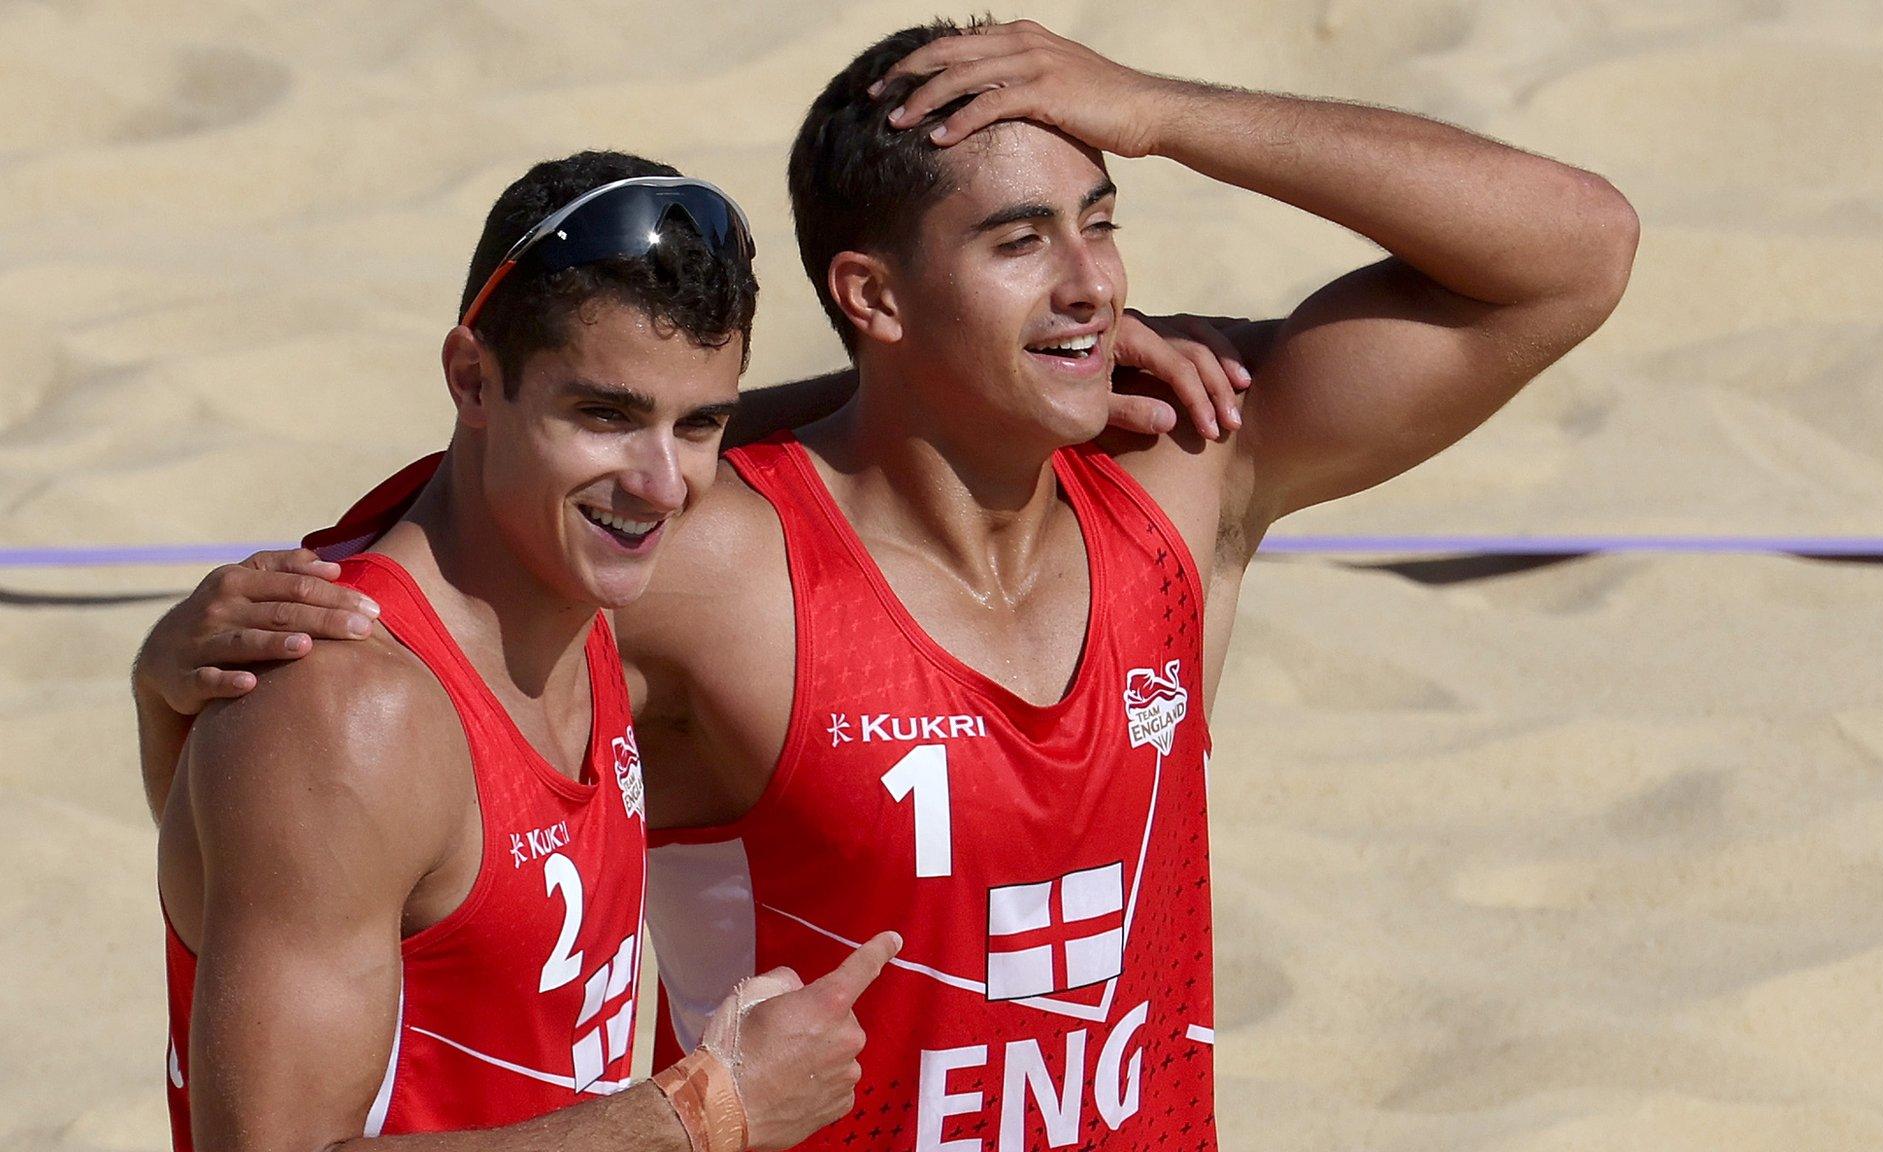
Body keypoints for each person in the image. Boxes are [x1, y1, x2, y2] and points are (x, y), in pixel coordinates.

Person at [136, 18, 1639, 1152]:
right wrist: (184, 675)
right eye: (1020, 242)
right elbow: (507, 508)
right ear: (872, 298)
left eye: (1101, 221)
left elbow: (1574, 250)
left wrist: (1163, 112)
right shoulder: (708, 565)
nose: (1090, 283)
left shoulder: (1185, 467)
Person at [151, 150, 900, 1152]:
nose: (661, 486)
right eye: (606, 416)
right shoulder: (350, 712)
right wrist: (700, 1115)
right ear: (472, 379)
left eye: (699, 425)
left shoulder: (567, 583)